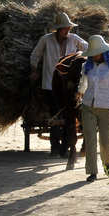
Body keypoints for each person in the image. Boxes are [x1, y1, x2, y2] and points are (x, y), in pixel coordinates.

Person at [30, 12, 88, 156]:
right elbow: (35, 55)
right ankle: (55, 146)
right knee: (55, 115)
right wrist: (34, 69)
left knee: (70, 115)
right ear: (57, 29)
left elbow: (89, 48)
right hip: (50, 84)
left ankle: (67, 145)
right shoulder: (46, 40)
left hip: (69, 87)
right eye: (64, 28)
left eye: (68, 28)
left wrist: (80, 58)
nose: (67, 31)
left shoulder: (74, 39)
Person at [78, 35, 109, 182]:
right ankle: (92, 171)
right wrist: (79, 93)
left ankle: (107, 161)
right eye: (92, 53)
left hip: (106, 107)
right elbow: (83, 85)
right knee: (90, 140)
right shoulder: (87, 66)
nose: (94, 56)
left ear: (104, 52)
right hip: (88, 106)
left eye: (96, 53)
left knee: (105, 140)